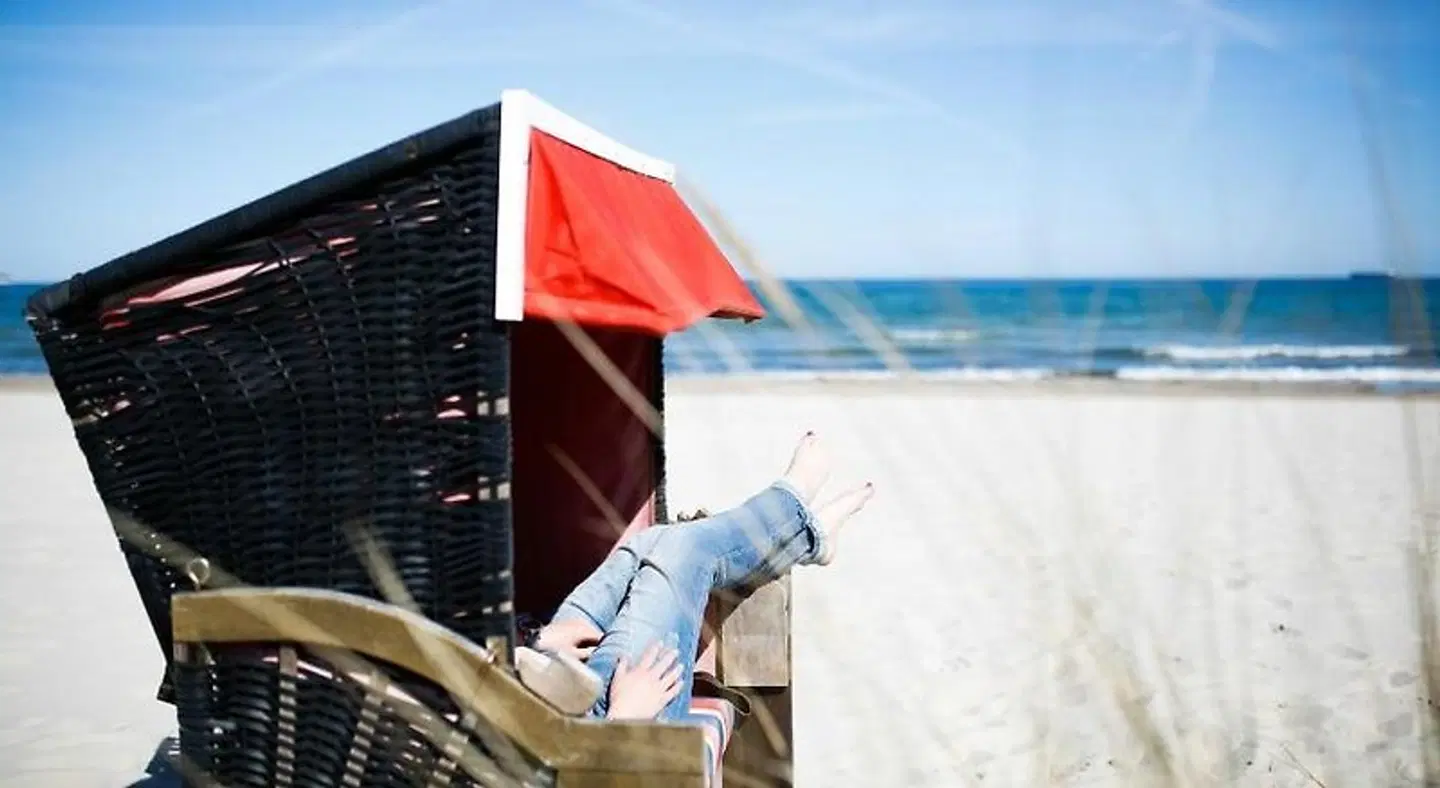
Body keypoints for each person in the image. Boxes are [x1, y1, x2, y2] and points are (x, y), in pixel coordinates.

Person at [527, 432, 874, 728]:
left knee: (648, 544)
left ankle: (807, 534)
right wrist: (624, 717)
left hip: (542, 675)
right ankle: (796, 519)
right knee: (680, 550)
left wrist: (531, 639)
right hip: (604, 723)